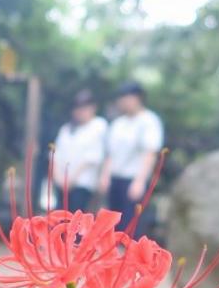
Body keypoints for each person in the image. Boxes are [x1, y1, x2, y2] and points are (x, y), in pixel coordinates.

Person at [99, 81, 165, 239]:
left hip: (133, 179)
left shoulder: (149, 120)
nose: (123, 102)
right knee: (112, 224)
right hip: (115, 178)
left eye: (126, 98)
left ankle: (128, 261)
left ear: (138, 98)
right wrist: (105, 176)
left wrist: (140, 181)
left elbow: (150, 153)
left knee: (131, 225)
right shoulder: (118, 123)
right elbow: (110, 153)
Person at [51, 89, 108, 213]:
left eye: (84, 107)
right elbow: (55, 154)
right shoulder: (66, 129)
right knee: (60, 218)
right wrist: (58, 178)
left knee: (77, 219)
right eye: (77, 108)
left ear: (93, 108)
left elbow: (92, 157)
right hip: (62, 183)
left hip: (82, 183)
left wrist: (71, 179)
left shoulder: (98, 125)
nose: (80, 112)